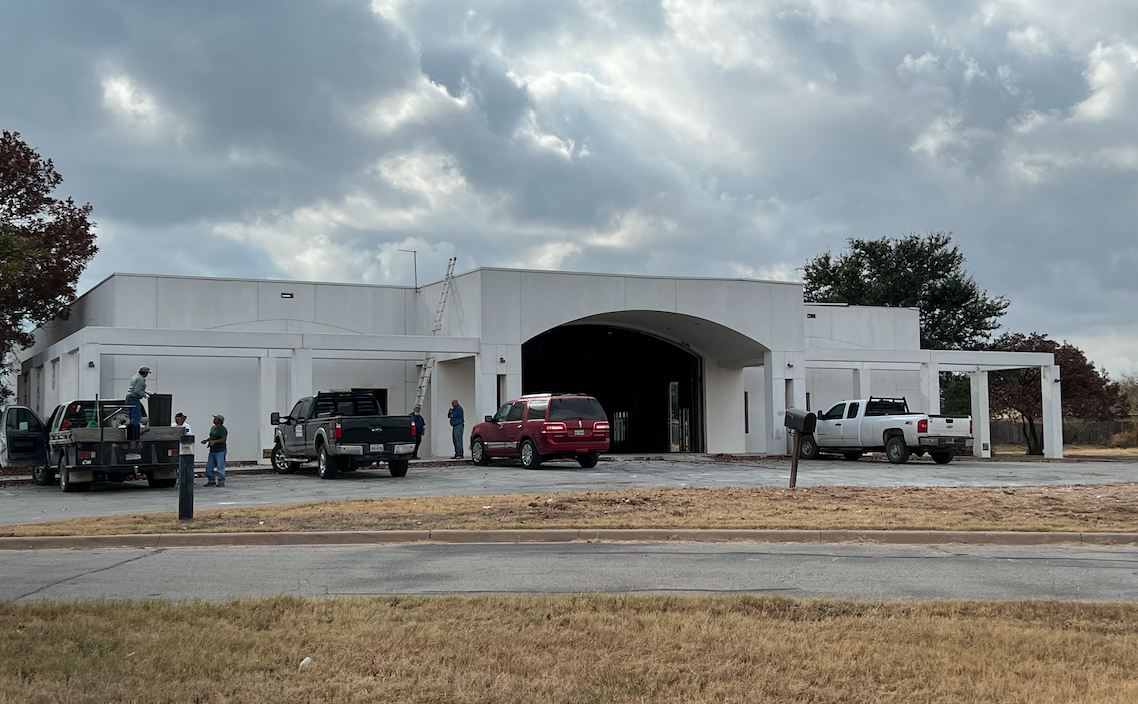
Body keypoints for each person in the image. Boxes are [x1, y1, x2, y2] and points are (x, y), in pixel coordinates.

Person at [203, 414, 228, 487]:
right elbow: (212, 437)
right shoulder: (213, 428)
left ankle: (221, 481)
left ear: (220, 421)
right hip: (212, 450)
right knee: (209, 467)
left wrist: (214, 442)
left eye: (216, 419)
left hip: (220, 451)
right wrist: (208, 440)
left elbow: (224, 439)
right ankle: (211, 480)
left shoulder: (222, 429)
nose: (214, 420)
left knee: (220, 467)